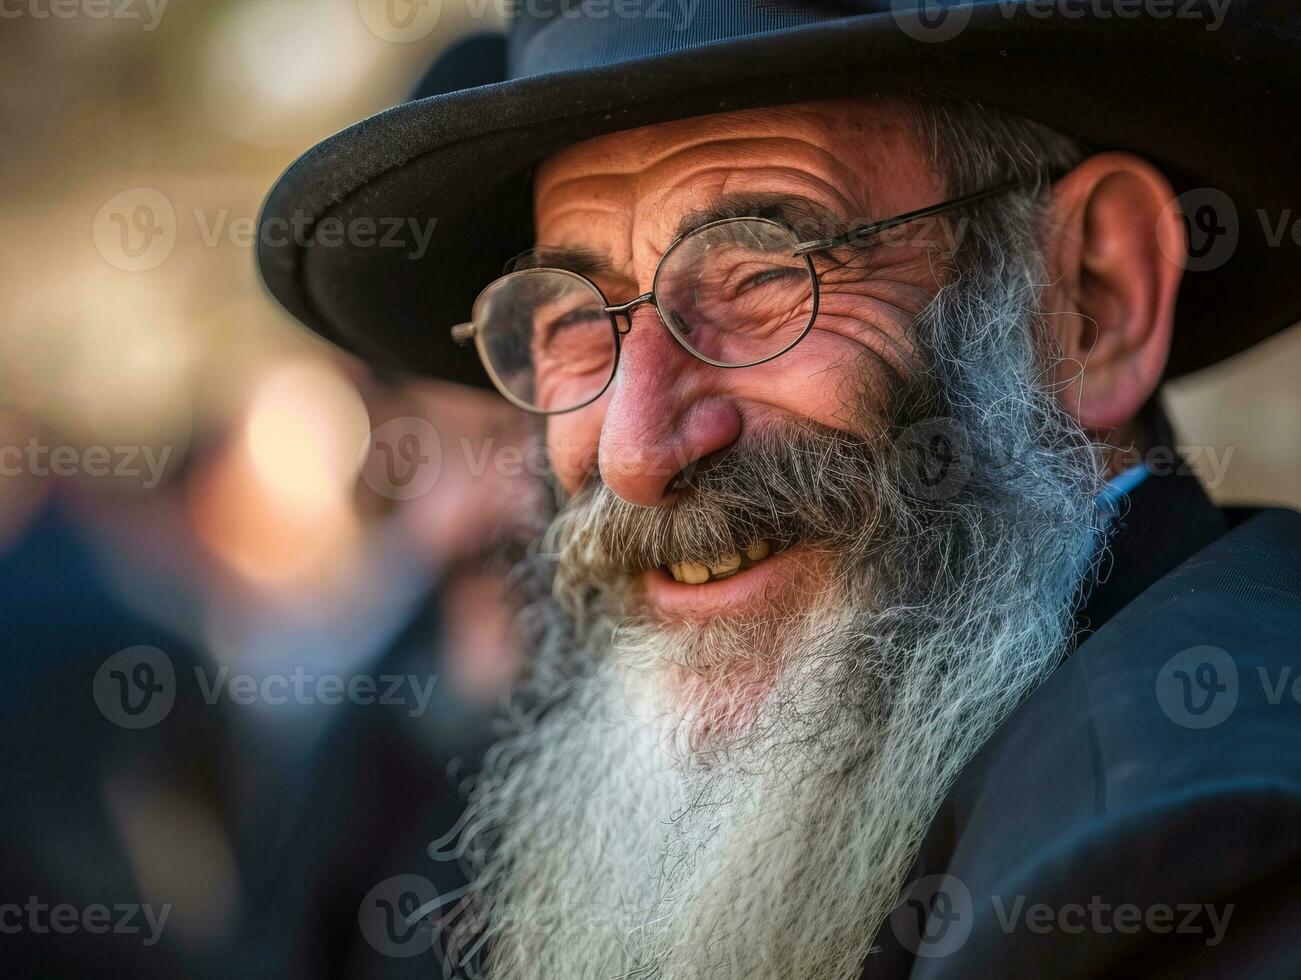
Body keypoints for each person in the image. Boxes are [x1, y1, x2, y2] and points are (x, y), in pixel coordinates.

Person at [255, 4, 1301, 977]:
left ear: (1092, 296)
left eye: (763, 273)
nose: (632, 451)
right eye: (572, 320)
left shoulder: (1194, 858)